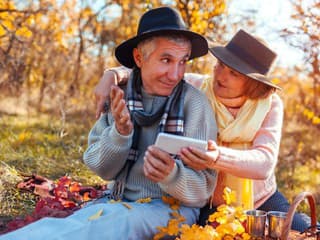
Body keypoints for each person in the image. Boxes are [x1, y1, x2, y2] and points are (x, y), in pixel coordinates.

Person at [0, 6, 218, 240]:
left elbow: (203, 189)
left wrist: (171, 174)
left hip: (172, 210)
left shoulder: (195, 105)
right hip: (117, 199)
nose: (175, 74)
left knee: (113, 224)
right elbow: (100, 168)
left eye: (182, 62)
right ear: (139, 58)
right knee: (78, 224)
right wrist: (120, 133)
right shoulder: (120, 97)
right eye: (166, 60)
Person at [94, 29, 312, 232]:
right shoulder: (198, 87)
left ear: (252, 82)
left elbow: (264, 162)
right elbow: (151, 70)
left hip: (261, 198)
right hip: (208, 201)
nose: (220, 75)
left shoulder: (269, 105)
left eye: (233, 73)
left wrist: (215, 156)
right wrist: (111, 75)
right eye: (220, 65)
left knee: (303, 229)